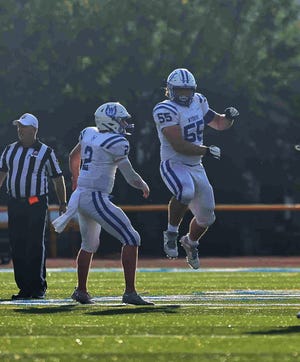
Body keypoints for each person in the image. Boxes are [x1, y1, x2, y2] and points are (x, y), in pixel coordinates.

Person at [52, 102, 153, 305]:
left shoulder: (89, 133)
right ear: (111, 121)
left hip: (82, 194)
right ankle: (130, 292)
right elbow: (129, 175)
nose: (125, 124)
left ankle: (81, 291)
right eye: (122, 120)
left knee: (89, 244)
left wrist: (75, 178)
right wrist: (142, 185)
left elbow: (73, 157)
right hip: (95, 196)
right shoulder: (115, 142)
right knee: (132, 237)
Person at [152, 68, 239, 269]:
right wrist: (206, 150)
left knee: (207, 217)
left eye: (187, 90)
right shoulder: (164, 109)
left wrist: (229, 117)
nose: (184, 95)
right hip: (174, 163)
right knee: (185, 190)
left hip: (195, 165)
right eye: (180, 90)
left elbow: (218, 122)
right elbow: (179, 145)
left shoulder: (199, 100)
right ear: (171, 90)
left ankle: (190, 242)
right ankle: (171, 233)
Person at [0, 113, 67, 299]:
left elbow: (57, 177)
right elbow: (2, 173)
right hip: (14, 202)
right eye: (19, 126)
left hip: (36, 203)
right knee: (17, 244)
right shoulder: (10, 150)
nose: (20, 130)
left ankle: (37, 287)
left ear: (34, 130)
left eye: (24, 127)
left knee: (35, 244)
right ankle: (23, 288)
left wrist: (63, 202)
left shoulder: (46, 151)